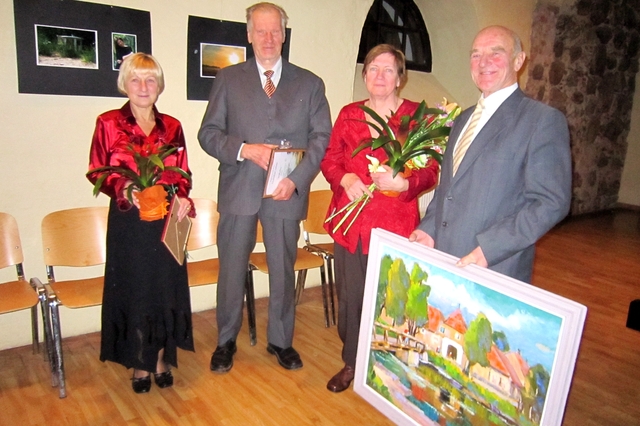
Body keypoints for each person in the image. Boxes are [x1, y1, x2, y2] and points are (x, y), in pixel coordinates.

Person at [198, 2, 331, 373]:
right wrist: (243, 149)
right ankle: (225, 340)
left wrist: (297, 180)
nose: (269, 38)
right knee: (231, 270)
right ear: (249, 34)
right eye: (261, 31)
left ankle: (281, 341)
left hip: (286, 191)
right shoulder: (228, 79)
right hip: (239, 188)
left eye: (275, 31)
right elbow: (208, 133)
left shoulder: (310, 83)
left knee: (282, 270)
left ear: (284, 35)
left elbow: (321, 139)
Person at [410, 25, 572, 283]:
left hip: (495, 266)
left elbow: (551, 202)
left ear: (518, 60)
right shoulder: (462, 119)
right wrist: (429, 229)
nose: (483, 62)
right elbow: (448, 189)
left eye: (495, 53)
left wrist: (489, 248)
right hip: (445, 260)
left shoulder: (541, 121)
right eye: (476, 55)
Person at [320, 44, 440, 393]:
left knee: (389, 298)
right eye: (373, 68)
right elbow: (330, 159)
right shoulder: (349, 114)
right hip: (351, 224)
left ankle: (388, 364)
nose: (380, 76)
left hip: (395, 225)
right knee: (351, 298)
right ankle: (352, 362)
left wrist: (404, 183)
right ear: (365, 75)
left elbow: (431, 171)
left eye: (389, 70)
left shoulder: (415, 118)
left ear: (400, 78)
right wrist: (345, 178)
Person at [87, 53, 196, 394]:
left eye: (150, 80)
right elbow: (97, 170)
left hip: (165, 220)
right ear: (125, 84)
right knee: (136, 291)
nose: (144, 86)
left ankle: (161, 358)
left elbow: (183, 174)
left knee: (164, 290)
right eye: (136, 79)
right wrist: (126, 188)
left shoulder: (172, 126)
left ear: (159, 86)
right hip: (129, 222)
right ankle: (139, 362)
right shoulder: (108, 122)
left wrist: (182, 197)